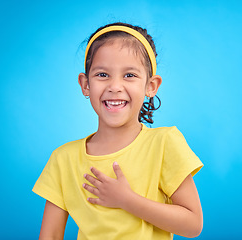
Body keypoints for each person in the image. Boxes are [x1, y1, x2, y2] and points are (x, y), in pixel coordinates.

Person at [33, 22, 203, 240]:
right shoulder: (63, 159)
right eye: (102, 75)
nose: (115, 86)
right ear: (85, 84)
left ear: (151, 86)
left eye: (129, 75)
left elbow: (193, 225)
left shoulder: (163, 143)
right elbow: (50, 235)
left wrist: (127, 200)